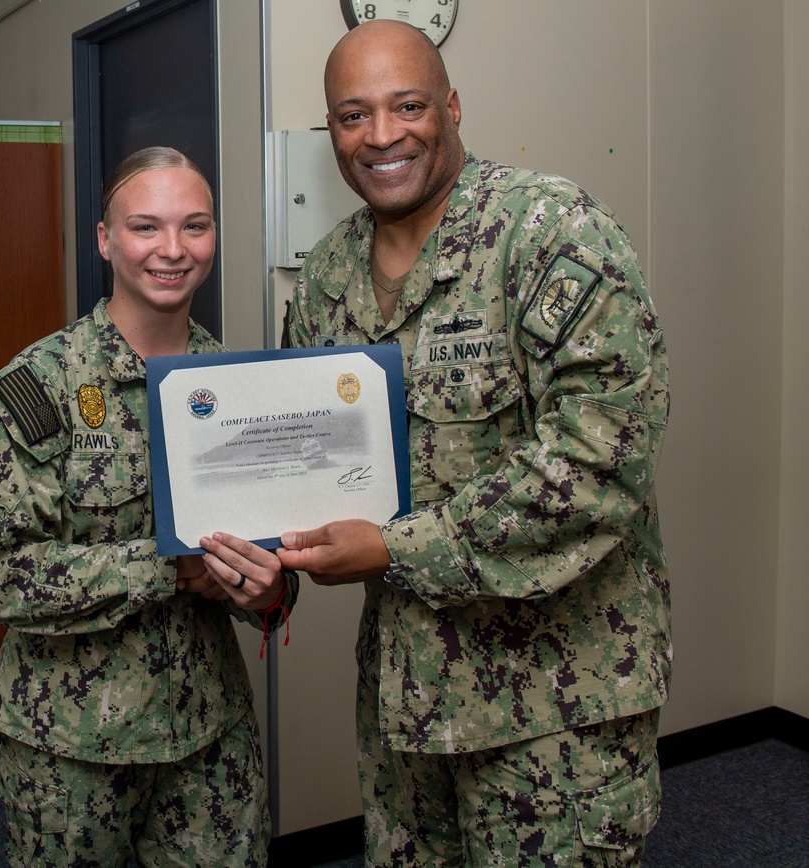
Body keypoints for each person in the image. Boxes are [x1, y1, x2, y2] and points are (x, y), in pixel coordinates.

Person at [279, 20, 670, 867]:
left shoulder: (550, 230)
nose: (381, 135)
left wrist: (395, 545)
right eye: (352, 116)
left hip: (554, 709)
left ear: (451, 106)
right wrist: (256, 562)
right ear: (332, 132)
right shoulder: (327, 279)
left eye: (407, 104)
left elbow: (602, 459)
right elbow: (296, 459)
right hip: (405, 707)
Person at [0, 146, 296, 868]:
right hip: (73, 750)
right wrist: (166, 567)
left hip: (209, 737)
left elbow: (270, 564)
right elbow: (7, 577)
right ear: (105, 240)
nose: (173, 250)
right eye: (146, 227)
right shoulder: (40, 387)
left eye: (196, 226)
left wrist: (270, 588)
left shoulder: (240, 389)